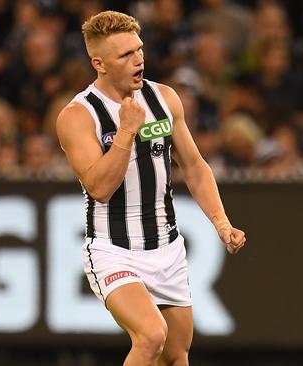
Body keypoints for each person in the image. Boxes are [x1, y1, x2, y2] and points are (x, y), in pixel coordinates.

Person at [56, 11, 246, 366]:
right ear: (99, 63)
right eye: (125, 55)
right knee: (151, 336)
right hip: (114, 250)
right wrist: (126, 131)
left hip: (167, 247)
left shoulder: (164, 99)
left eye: (139, 49)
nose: (138, 59)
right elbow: (99, 187)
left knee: (175, 356)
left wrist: (221, 223)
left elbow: (194, 165)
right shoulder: (78, 116)